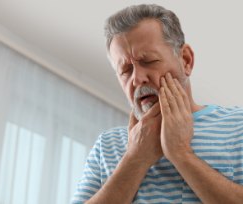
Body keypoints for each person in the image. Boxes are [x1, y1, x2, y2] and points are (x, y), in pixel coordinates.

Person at [72, 4, 243, 204]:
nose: (137, 79)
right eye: (126, 70)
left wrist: (181, 153)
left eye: (149, 61)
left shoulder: (238, 125)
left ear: (186, 61)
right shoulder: (106, 145)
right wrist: (135, 159)